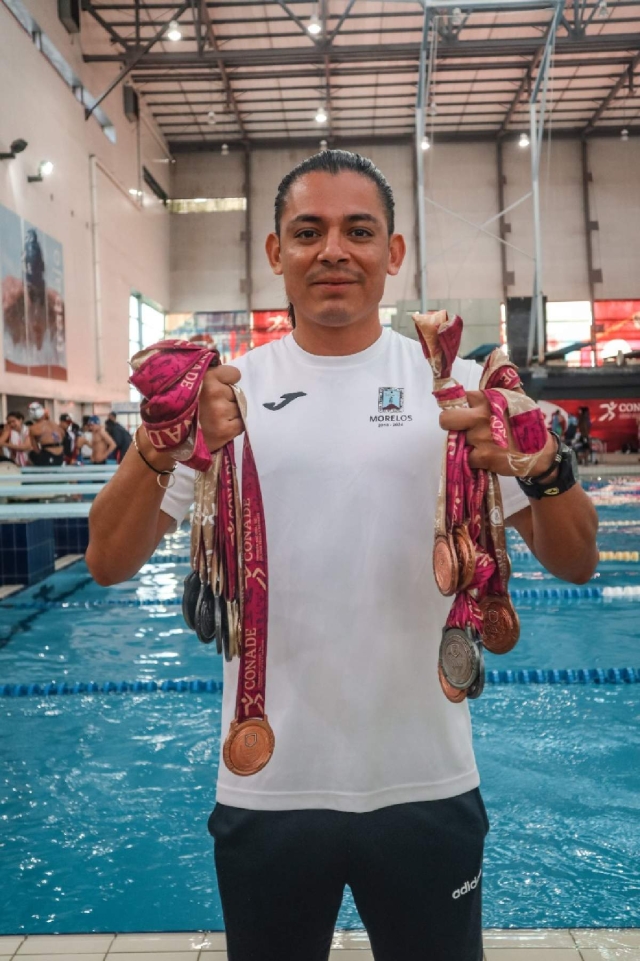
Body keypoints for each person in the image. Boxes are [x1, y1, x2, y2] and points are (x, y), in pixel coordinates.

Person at [86, 151, 599, 961]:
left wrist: (539, 462)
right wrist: (161, 441)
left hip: (427, 783)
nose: (334, 250)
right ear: (274, 252)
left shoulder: (457, 388)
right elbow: (108, 561)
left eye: (359, 231)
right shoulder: (227, 392)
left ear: (393, 252)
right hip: (270, 785)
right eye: (309, 231)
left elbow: (577, 561)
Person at [27, 402, 64, 466]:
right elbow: (63, 435)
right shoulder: (54, 424)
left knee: (31, 454)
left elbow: (35, 448)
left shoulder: (33, 428)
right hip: (61, 456)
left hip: (48, 455)